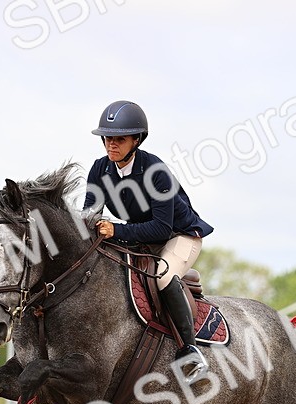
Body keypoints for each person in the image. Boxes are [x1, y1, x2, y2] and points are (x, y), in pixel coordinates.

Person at [83, 100, 213, 380]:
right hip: (139, 234)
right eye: (107, 138)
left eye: (119, 138)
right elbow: (90, 215)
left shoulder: (155, 171)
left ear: (136, 140)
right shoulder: (99, 170)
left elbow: (160, 229)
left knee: (161, 277)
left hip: (180, 236)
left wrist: (116, 231)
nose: (111, 144)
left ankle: (189, 350)